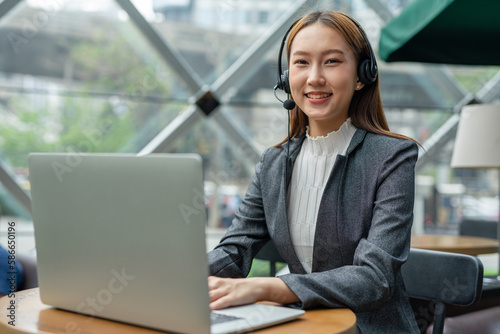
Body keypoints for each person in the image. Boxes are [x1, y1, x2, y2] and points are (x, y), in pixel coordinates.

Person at [207, 10, 420, 333]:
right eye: (302, 62)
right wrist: (176, 275)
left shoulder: (392, 157)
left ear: (363, 74)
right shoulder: (274, 163)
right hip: (302, 324)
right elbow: (234, 251)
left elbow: (374, 278)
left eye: (332, 62)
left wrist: (268, 287)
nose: (314, 78)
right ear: (286, 77)